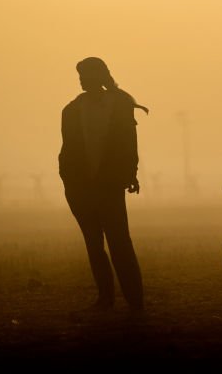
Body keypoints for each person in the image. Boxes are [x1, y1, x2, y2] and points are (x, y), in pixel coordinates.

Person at [58, 57, 148, 311]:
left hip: (108, 185)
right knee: (94, 244)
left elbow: (129, 143)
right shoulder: (72, 110)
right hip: (80, 187)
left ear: (101, 75)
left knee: (120, 242)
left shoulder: (120, 104)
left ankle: (134, 300)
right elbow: (68, 150)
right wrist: (68, 180)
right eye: (80, 74)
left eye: (86, 74)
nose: (82, 79)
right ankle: (106, 298)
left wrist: (130, 173)